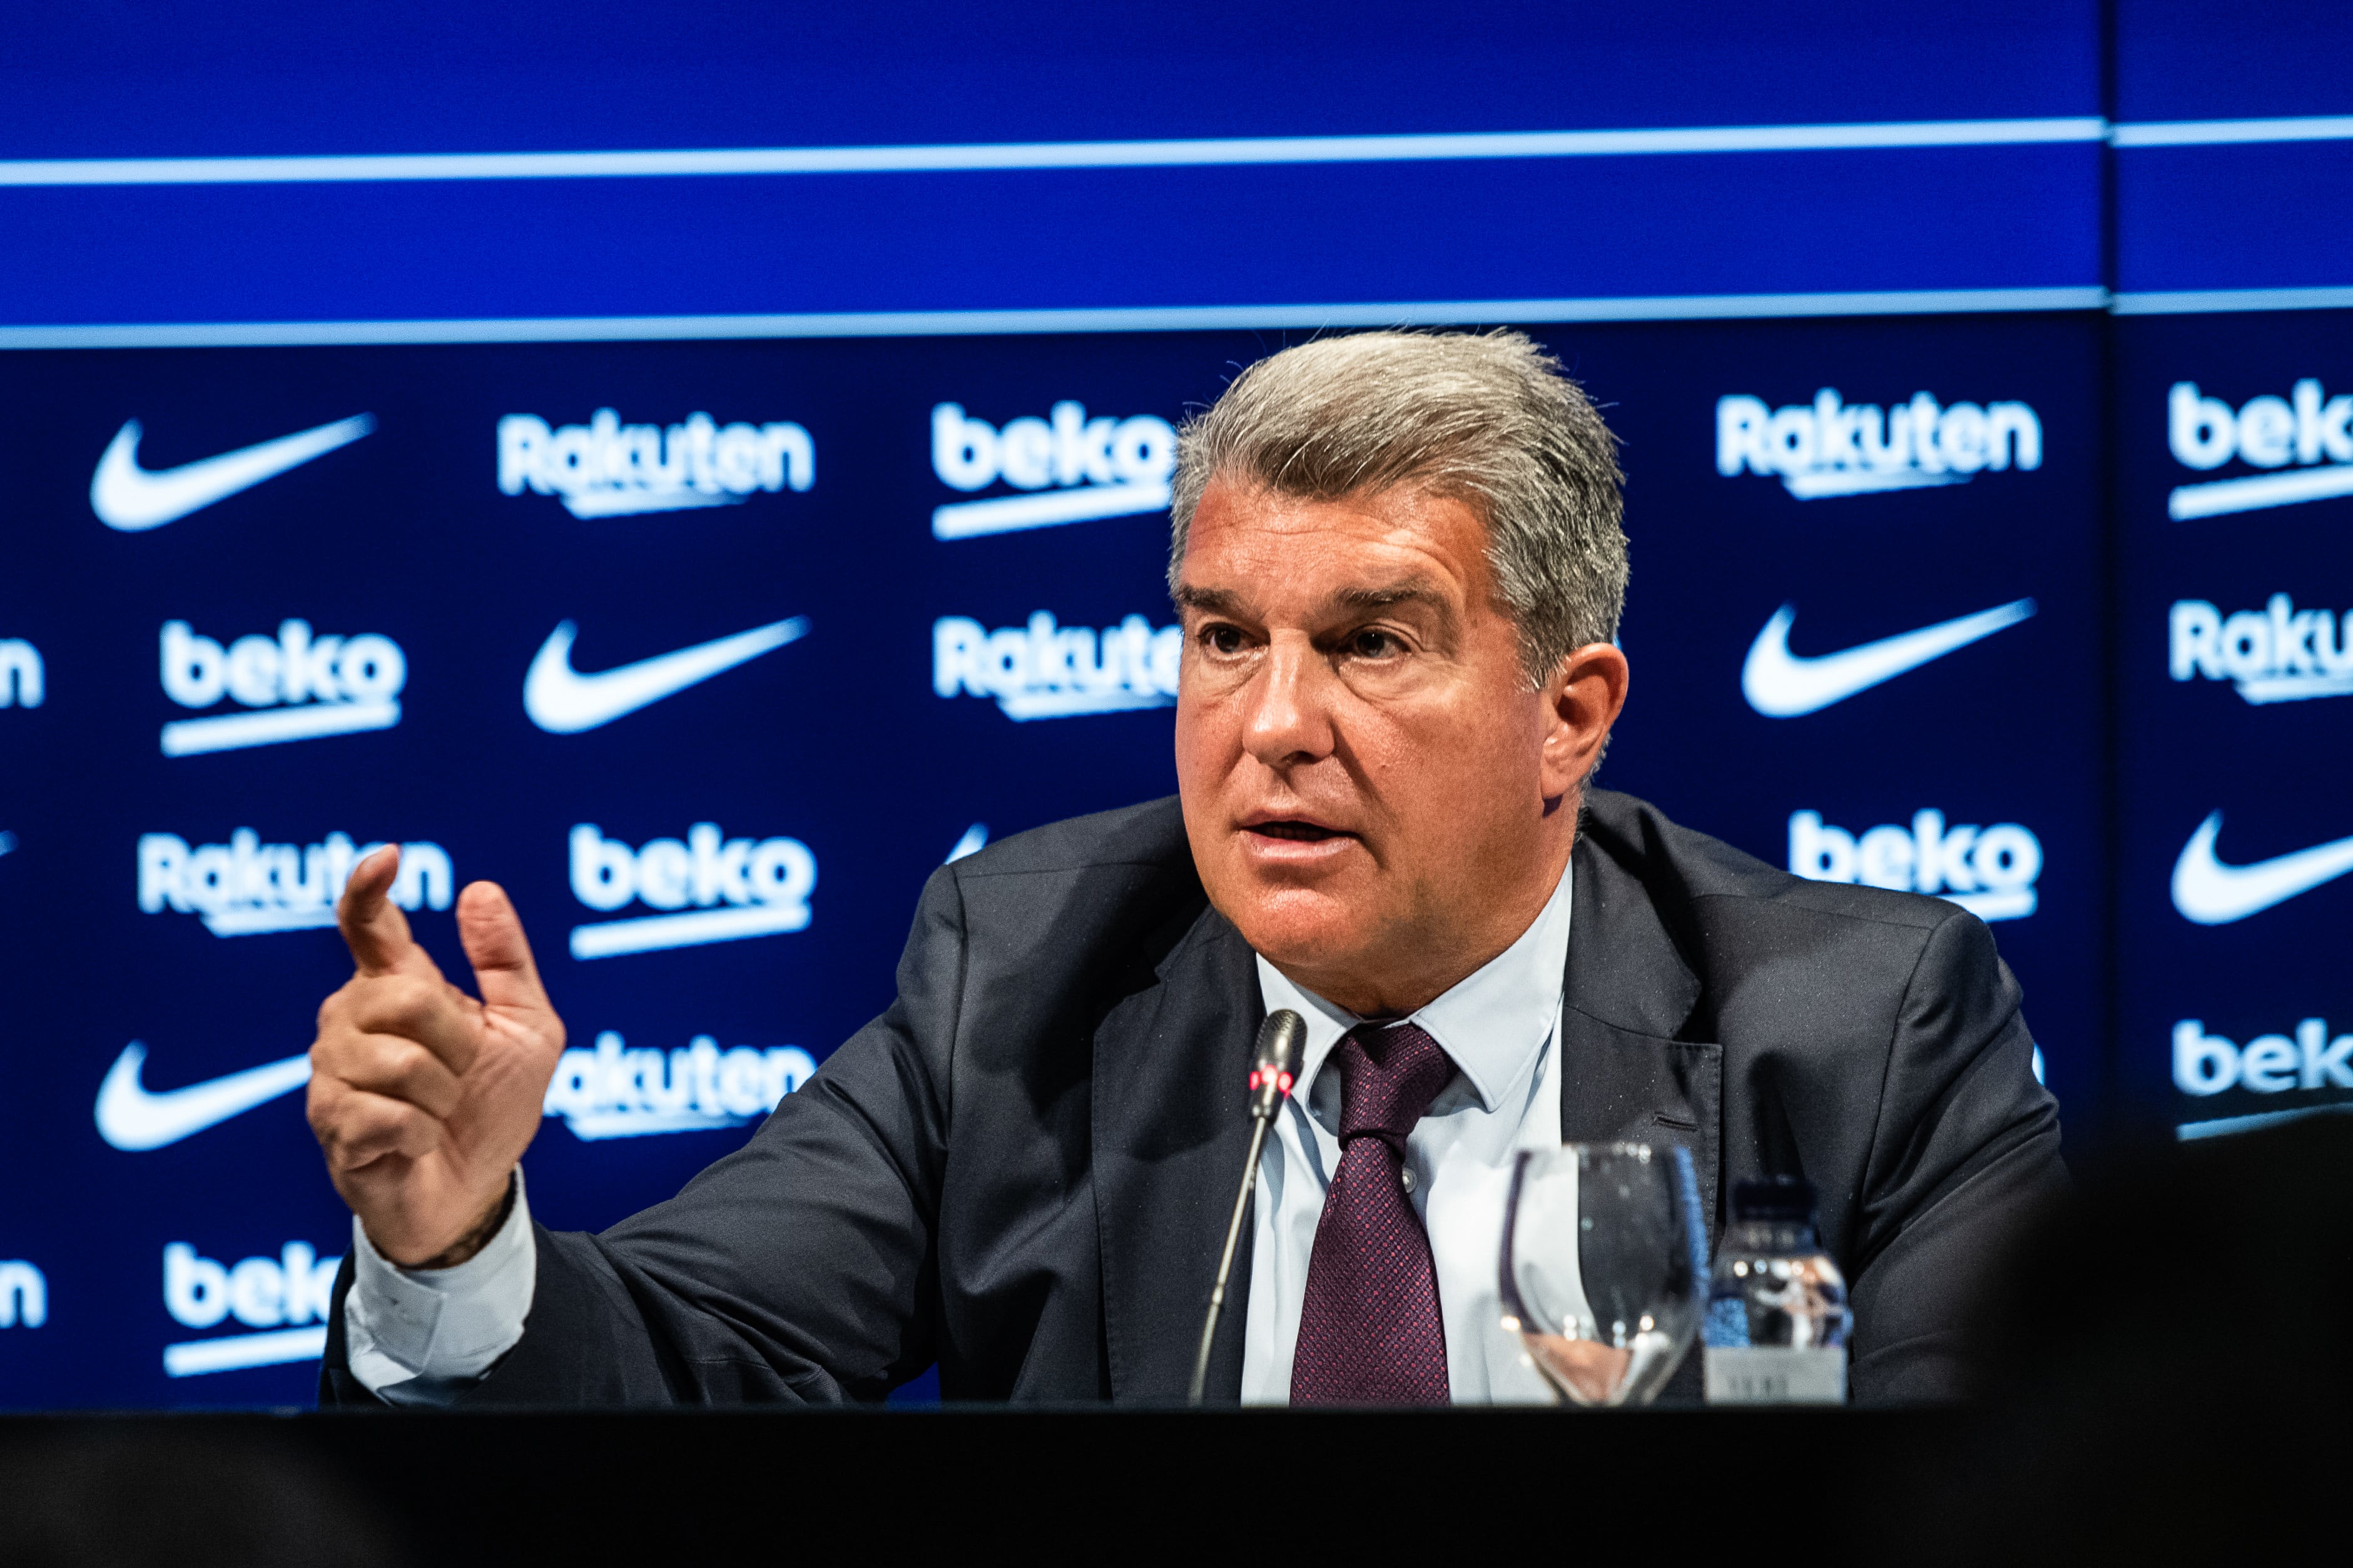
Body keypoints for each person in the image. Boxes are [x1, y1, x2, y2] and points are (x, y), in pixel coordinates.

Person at [308, 330, 2064, 1407]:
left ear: (1567, 711)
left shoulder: (1853, 1030)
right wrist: (462, 1237)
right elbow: (695, 1354)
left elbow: (1998, 1500)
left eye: (1372, 641)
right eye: (1224, 637)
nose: (1272, 723)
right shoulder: (1027, 969)